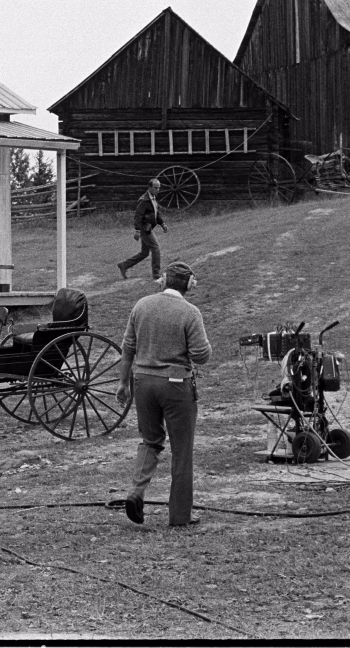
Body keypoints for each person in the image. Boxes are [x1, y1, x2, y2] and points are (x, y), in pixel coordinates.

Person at [116, 261, 211, 527]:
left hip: (143, 382)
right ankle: (180, 515)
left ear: (164, 280)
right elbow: (201, 356)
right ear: (189, 284)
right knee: (182, 451)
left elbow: (128, 347)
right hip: (176, 385)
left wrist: (123, 383)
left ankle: (136, 491)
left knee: (150, 440)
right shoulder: (190, 312)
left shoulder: (141, 305)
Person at [117, 178, 168, 280]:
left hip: (149, 228)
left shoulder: (153, 198)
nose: (157, 190)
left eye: (159, 188)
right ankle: (156, 274)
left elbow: (156, 213)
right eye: (155, 188)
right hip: (144, 228)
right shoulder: (144, 200)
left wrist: (162, 223)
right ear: (149, 187)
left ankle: (124, 265)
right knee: (156, 248)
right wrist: (137, 230)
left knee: (144, 253)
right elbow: (138, 216)